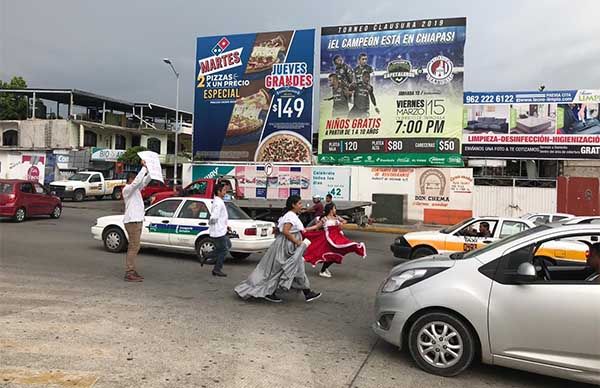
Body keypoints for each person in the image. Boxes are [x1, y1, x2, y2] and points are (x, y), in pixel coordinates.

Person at [234, 195, 323, 303]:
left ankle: (306, 292)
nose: (301, 206)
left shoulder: (291, 215)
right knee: (281, 270)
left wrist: (316, 227)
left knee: (293, 268)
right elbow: (286, 231)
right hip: (286, 247)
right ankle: (273, 292)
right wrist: (297, 242)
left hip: (289, 246)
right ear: (293, 205)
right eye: (299, 203)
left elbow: (300, 230)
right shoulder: (290, 216)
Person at [303, 203, 366, 278]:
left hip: (337, 238)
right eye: (334, 208)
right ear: (331, 210)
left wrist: (342, 223)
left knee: (335, 254)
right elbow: (316, 226)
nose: (335, 210)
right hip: (328, 240)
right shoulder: (325, 218)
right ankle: (323, 270)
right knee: (330, 255)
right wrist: (305, 229)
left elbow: (345, 221)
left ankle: (324, 269)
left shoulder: (336, 217)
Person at [122, 160, 152, 282]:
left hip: (137, 220)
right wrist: (144, 168)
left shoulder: (136, 190)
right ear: (130, 179)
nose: (136, 180)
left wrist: (151, 171)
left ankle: (131, 270)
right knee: (134, 246)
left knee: (135, 246)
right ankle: (129, 271)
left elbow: (144, 181)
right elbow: (137, 183)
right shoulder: (127, 190)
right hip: (132, 221)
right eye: (134, 178)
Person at [206, 183, 231, 277]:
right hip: (218, 231)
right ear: (218, 191)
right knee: (224, 250)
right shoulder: (218, 202)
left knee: (227, 245)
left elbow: (221, 217)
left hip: (221, 229)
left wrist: (225, 226)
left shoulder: (219, 201)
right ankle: (217, 269)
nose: (225, 192)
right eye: (223, 190)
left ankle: (208, 255)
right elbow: (214, 217)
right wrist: (213, 227)